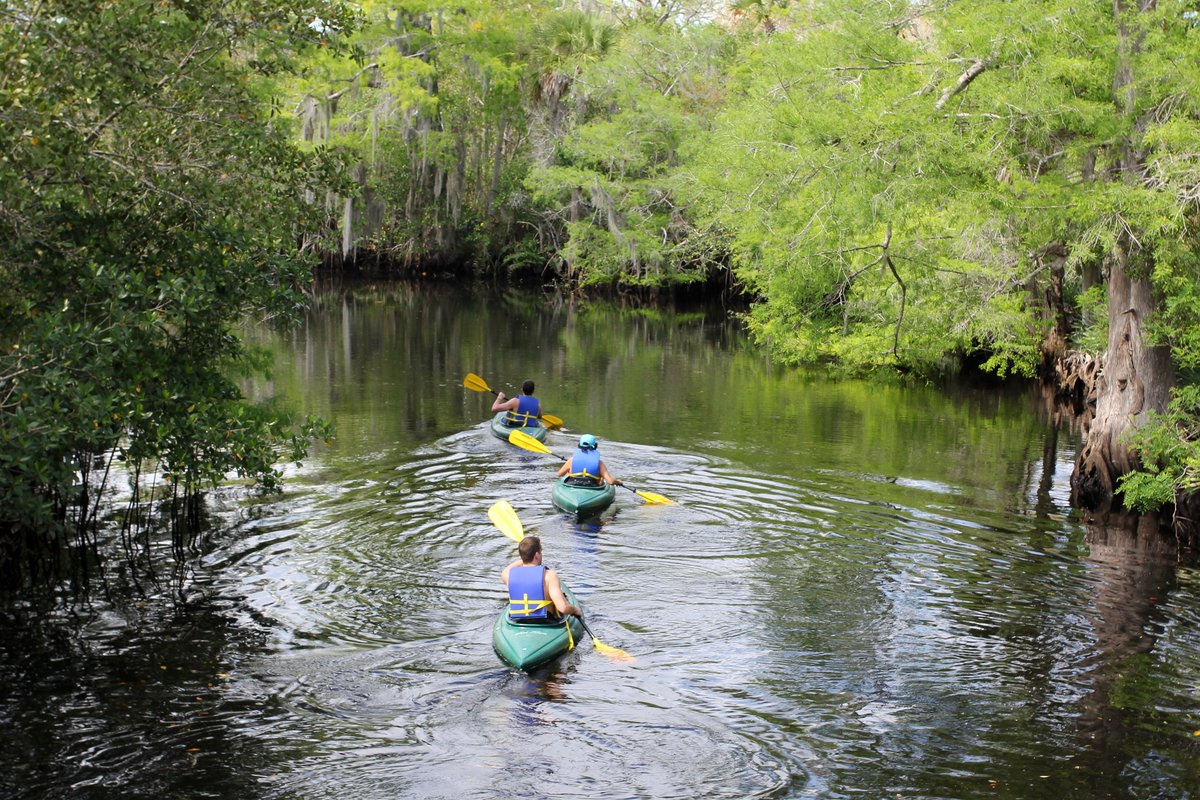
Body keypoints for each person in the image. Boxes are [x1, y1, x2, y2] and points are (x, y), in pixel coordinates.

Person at [501, 535, 581, 621]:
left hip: (518, 620)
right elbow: (563, 608)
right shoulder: (549, 576)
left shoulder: (509, 575)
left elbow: (506, 570)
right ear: (537, 555)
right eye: (540, 551)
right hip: (545, 621)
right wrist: (575, 610)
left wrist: (525, 557)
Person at [557, 434, 623, 488]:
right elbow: (610, 481)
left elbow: (559, 474)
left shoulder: (571, 460)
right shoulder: (599, 463)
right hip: (592, 487)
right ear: (595, 446)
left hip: (573, 485)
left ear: (579, 445)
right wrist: (618, 482)